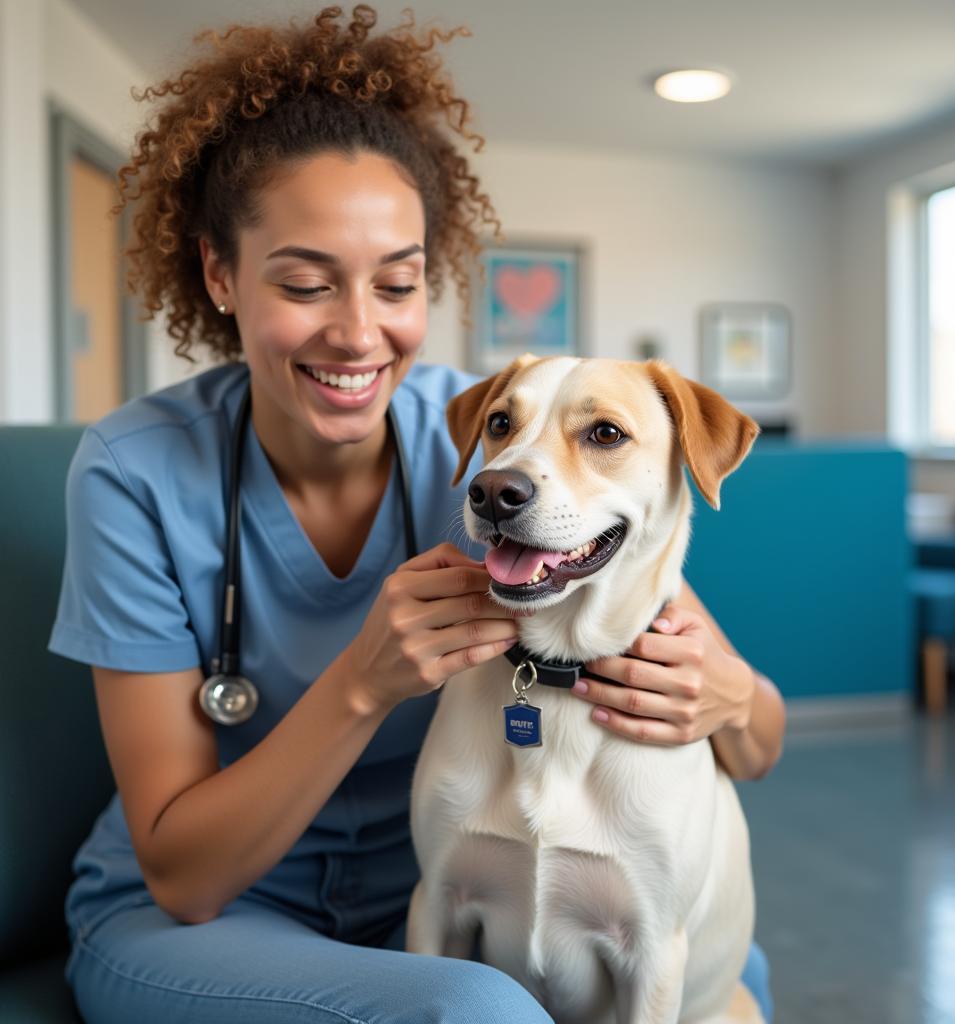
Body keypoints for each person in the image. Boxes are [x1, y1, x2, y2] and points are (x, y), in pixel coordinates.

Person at [48, 6, 785, 1022]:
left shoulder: (491, 442)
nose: (358, 333)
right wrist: (362, 680)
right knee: (476, 1010)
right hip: (213, 908)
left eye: (397, 283)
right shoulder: (134, 472)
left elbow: (738, 720)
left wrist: (730, 695)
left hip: (420, 898)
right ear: (219, 275)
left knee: (732, 973)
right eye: (305, 283)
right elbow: (183, 875)